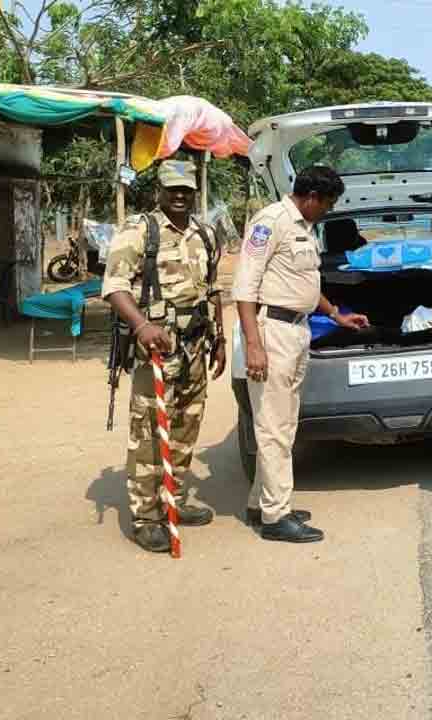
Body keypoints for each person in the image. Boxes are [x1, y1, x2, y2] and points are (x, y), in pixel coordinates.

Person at [232, 165, 370, 543]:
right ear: (310, 197)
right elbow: (244, 288)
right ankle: (277, 517)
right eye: (327, 203)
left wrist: (336, 314)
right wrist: (254, 346)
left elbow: (305, 283)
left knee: (283, 424)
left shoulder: (305, 228)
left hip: (296, 330)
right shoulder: (270, 222)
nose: (327, 210)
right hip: (272, 332)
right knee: (273, 427)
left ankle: (262, 503)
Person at [103, 160, 226, 553]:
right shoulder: (140, 230)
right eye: (172, 189)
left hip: (195, 347)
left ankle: (175, 496)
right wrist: (142, 326)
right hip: (156, 349)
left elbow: (212, 291)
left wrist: (219, 339)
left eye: (186, 190)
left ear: (194, 192)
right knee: (149, 431)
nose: (179, 196)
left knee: (186, 425)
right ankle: (147, 515)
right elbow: (115, 287)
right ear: (158, 191)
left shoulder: (205, 233)